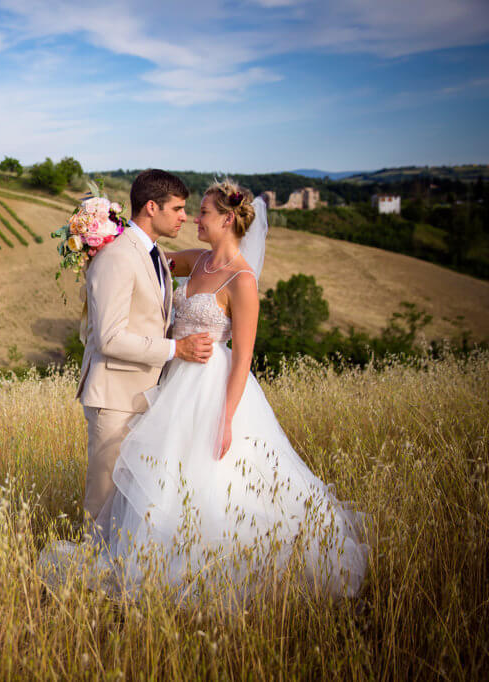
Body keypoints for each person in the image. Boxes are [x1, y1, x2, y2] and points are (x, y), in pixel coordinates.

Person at [99, 179, 369, 602]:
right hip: (175, 379)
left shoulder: (242, 280)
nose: (194, 219)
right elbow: (150, 261)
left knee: (214, 481)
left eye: (203, 212)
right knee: (166, 473)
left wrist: (225, 418)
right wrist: (101, 235)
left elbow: (243, 356)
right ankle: (149, 561)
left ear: (227, 219)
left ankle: (215, 570)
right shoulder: (199, 261)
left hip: (212, 386)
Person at [75, 170, 213, 541]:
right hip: (115, 397)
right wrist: (176, 349)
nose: (185, 217)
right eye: (179, 208)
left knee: (130, 504)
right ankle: (83, 583)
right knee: (102, 503)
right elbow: (109, 337)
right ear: (152, 207)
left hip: (148, 396)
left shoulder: (156, 255)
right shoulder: (118, 257)